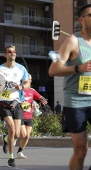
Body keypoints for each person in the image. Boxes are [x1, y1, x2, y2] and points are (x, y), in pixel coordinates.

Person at [48, 4, 91, 170]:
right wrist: (78, 68)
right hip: (76, 101)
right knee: (81, 149)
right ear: (81, 20)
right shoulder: (73, 41)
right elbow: (53, 70)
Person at [0, 45, 29, 167]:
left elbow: (27, 82)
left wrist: (22, 87)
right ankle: (11, 158)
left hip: (16, 103)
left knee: (17, 134)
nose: (12, 53)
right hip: (4, 102)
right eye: (9, 52)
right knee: (11, 129)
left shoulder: (21, 68)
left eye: (14, 52)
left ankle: (6, 139)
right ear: (5, 55)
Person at [17, 74, 48, 159]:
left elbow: (39, 96)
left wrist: (43, 100)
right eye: (29, 79)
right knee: (23, 134)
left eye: (31, 79)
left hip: (29, 116)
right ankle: (9, 137)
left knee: (27, 136)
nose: (30, 81)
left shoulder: (32, 90)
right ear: (23, 80)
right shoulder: (19, 90)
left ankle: (20, 151)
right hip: (20, 115)